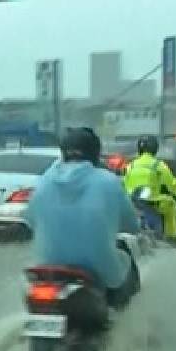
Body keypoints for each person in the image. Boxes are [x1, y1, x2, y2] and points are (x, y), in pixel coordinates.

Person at [23, 127, 140, 309]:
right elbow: (131, 225)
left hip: (47, 266)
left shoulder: (43, 181)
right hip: (98, 269)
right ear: (95, 152)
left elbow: (29, 219)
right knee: (125, 263)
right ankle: (124, 316)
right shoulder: (108, 181)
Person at [122, 134, 176, 243]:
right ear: (155, 148)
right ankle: (172, 238)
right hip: (153, 201)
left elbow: (124, 184)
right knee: (171, 204)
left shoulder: (130, 165)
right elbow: (172, 186)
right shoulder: (158, 165)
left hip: (132, 202)